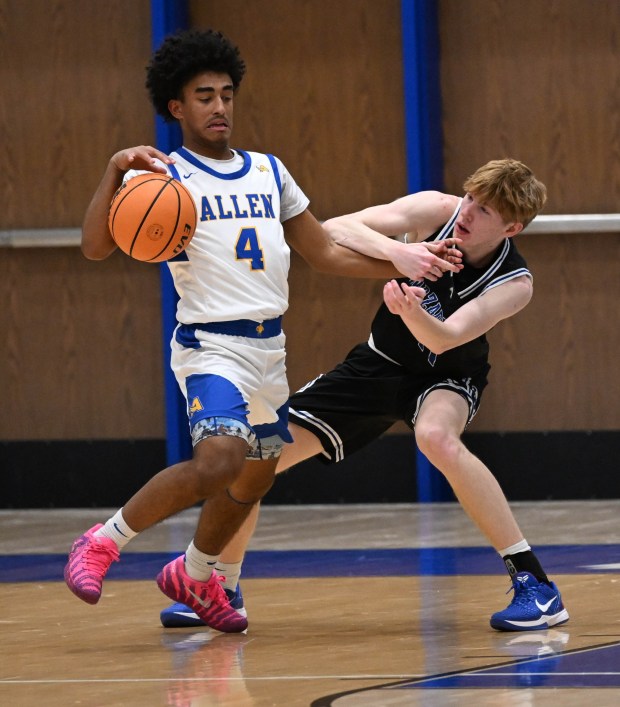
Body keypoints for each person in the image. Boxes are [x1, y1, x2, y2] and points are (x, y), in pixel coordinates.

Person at [63, 28, 461, 633]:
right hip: (211, 344)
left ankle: (195, 576)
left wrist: (405, 262)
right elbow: (94, 247)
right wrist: (116, 168)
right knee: (220, 459)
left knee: (256, 473)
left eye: (226, 94)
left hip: (268, 347)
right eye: (203, 96)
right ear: (177, 107)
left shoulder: (270, 173)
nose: (219, 106)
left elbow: (324, 251)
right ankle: (102, 540)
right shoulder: (162, 180)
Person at [161, 158, 570, 633]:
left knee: (437, 437)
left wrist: (409, 309)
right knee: (259, 455)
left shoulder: (515, 283)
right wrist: (402, 256)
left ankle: (536, 587)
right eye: (471, 198)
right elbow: (336, 228)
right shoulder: (437, 209)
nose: (468, 212)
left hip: (447, 373)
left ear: (512, 228)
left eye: (484, 212)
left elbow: (445, 337)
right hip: (378, 364)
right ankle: (220, 588)